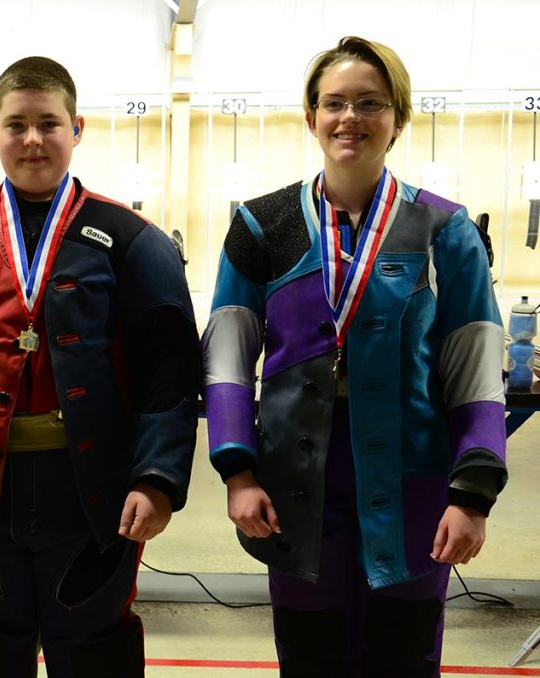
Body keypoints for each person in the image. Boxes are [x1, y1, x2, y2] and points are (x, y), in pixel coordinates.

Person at [0, 56, 200, 677]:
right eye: (16, 124)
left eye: (48, 123)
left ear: (77, 128)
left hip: (93, 495)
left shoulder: (132, 238)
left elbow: (172, 370)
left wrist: (156, 478)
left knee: (95, 643)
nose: (32, 139)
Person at [203, 36, 507, 677]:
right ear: (310, 116)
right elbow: (228, 358)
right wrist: (239, 471)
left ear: (398, 117)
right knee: (311, 653)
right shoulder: (262, 225)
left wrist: (472, 493)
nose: (351, 118)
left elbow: (475, 369)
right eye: (334, 103)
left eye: (370, 103)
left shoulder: (445, 231)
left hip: (414, 483)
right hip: (292, 485)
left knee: (404, 651)